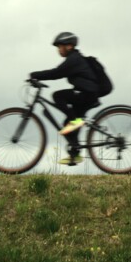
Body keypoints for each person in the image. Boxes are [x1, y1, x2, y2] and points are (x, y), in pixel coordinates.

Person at [30, 32, 100, 166]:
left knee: (58, 96)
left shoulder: (74, 59)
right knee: (68, 124)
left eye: (60, 46)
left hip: (86, 93)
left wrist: (35, 75)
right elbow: (58, 73)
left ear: (69, 46)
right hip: (87, 93)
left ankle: (76, 122)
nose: (58, 50)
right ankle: (75, 154)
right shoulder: (74, 58)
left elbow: (56, 73)